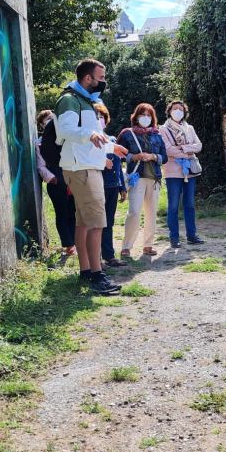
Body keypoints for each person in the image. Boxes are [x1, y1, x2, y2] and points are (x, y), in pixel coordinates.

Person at [53, 59, 121, 295]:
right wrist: (90, 134)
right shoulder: (69, 100)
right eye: (101, 78)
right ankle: (97, 275)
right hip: (81, 168)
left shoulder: (88, 101)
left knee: (83, 222)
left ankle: (86, 271)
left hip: (87, 166)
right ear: (87, 78)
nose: (103, 82)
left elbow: (95, 136)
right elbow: (66, 130)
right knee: (96, 223)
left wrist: (112, 147)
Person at [119, 103, 167, 258]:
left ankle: (148, 245)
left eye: (148, 115)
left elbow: (164, 157)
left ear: (152, 118)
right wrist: (133, 157)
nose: (145, 118)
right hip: (136, 178)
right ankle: (126, 246)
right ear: (136, 116)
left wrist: (153, 156)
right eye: (142, 114)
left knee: (151, 213)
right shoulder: (127, 134)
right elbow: (118, 154)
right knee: (134, 212)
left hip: (154, 179)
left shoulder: (157, 135)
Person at [159, 100, 204, 248]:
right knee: (173, 206)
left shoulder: (189, 128)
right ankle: (174, 238)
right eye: (175, 108)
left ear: (184, 112)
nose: (178, 111)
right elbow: (168, 150)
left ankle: (192, 235)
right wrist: (188, 151)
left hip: (189, 171)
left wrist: (182, 148)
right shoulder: (163, 129)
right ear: (169, 111)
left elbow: (198, 146)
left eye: (180, 109)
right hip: (172, 172)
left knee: (189, 204)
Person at [36, 109, 76, 256]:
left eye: (53, 118)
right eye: (46, 120)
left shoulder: (65, 138)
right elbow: (40, 166)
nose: (51, 122)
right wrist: (52, 178)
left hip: (72, 180)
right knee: (61, 213)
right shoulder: (39, 144)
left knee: (73, 212)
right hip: (56, 182)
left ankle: (75, 241)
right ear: (41, 125)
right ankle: (68, 244)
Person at [94, 104, 127, 268]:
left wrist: (122, 187)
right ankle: (96, 258)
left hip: (113, 186)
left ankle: (109, 256)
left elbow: (118, 167)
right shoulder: (90, 142)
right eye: (96, 117)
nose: (99, 119)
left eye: (102, 117)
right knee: (96, 223)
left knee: (109, 221)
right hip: (97, 186)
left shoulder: (112, 140)